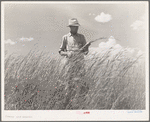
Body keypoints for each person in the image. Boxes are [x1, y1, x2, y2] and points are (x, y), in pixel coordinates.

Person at [58, 18, 90, 109]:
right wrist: (67, 53)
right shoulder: (65, 37)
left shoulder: (82, 37)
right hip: (69, 63)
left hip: (80, 63)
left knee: (80, 82)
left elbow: (85, 52)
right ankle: (68, 102)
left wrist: (87, 47)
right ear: (70, 27)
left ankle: (80, 102)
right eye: (74, 27)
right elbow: (60, 51)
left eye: (77, 27)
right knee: (68, 82)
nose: (76, 28)